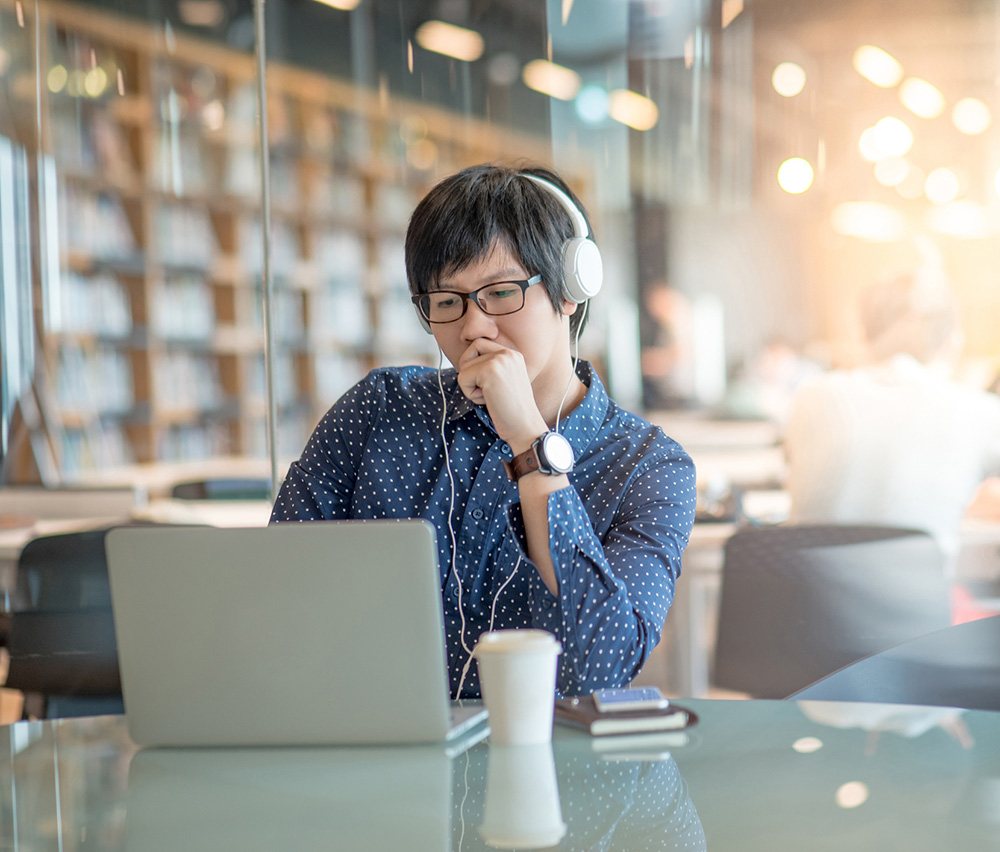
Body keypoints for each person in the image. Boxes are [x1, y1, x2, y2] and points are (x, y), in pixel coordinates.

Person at [270, 164, 696, 698]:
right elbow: (277, 603)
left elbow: (596, 668)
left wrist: (527, 440)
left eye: (499, 293)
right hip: (374, 758)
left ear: (569, 292)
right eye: (446, 302)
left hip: (553, 770)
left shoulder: (649, 467)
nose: (473, 327)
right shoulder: (376, 411)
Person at [784, 270, 1000, 573]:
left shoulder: (810, 397)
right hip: (921, 616)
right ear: (952, 340)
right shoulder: (979, 411)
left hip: (808, 612)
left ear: (865, 334)